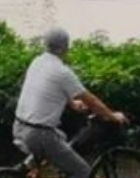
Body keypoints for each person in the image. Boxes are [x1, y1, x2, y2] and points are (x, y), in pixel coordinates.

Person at [13, 28, 128, 178]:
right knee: (83, 173)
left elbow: (49, 88)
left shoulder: (37, 61)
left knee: (61, 138)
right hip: (40, 135)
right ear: (65, 47)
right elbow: (91, 101)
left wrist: (73, 103)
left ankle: (28, 168)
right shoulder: (62, 72)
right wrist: (112, 116)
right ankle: (32, 167)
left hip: (19, 127)